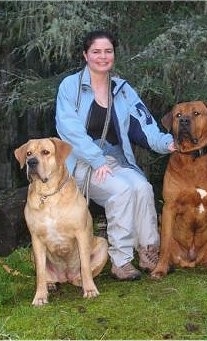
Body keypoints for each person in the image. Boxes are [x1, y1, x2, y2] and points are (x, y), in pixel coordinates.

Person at [55, 30, 176, 281]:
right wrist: (96, 159)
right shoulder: (70, 87)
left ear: (114, 55)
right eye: (96, 52)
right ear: (85, 55)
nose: (103, 56)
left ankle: (148, 251)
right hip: (81, 163)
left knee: (141, 187)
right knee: (120, 191)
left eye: (108, 51)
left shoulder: (122, 90)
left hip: (114, 161)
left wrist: (167, 143)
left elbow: (145, 125)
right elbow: (69, 130)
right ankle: (121, 261)